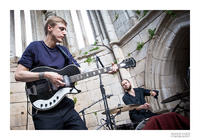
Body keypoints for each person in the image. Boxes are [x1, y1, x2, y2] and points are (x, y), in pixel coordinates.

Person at [15, 16, 118, 130]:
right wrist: (46, 75)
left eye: (65, 30)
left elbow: (80, 71)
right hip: (44, 113)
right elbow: (18, 75)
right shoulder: (35, 47)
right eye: (61, 29)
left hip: (66, 108)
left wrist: (105, 70)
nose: (65, 33)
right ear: (50, 27)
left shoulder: (64, 50)